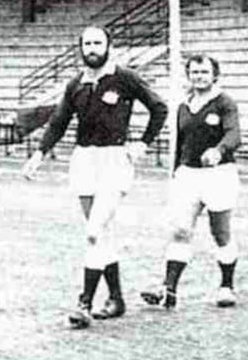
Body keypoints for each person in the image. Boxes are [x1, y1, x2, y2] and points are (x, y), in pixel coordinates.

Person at [22, 25, 167, 329]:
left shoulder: (124, 77)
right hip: (84, 160)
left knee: (94, 231)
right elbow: (58, 121)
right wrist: (38, 154)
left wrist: (142, 143)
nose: (92, 48)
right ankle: (116, 298)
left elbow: (159, 108)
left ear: (108, 45)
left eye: (97, 42)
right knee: (102, 233)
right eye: (87, 43)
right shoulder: (76, 83)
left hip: (114, 159)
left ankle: (84, 303)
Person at [140, 54, 241, 310]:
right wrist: (176, 171)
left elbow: (233, 133)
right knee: (180, 230)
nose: (199, 76)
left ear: (214, 74)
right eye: (195, 72)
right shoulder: (184, 105)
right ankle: (169, 289)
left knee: (220, 233)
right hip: (189, 174)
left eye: (204, 72)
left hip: (219, 175)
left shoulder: (224, 103)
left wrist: (218, 150)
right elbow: (180, 144)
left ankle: (227, 285)